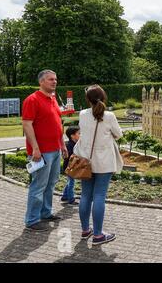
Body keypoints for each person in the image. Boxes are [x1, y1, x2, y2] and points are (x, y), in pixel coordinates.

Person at [74, 85, 123, 245]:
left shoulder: (82, 114)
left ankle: (85, 230)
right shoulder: (109, 116)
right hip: (104, 162)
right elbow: (119, 134)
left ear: (87, 99)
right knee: (99, 196)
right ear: (104, 97)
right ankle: (98, 235)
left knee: (85, 196)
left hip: (85, 161)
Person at [22, 70, 68, 231]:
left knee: (51, 183)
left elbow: (58, 124)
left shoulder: (53, 99)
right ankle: (32, 220)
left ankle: (46, 212)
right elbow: (27, 124)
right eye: (50, 79)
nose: (54, 82)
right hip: (41, 152)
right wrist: (35, 148)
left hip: (55, 150)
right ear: (41, 82)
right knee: (39, 185)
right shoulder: (32, 100)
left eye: (55, 79)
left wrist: (62, 144)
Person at [60, 126, 80, 205]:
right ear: (72, 136)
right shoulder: (70, 145)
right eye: (78, 133)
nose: (80, 135)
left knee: (69, 181)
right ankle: (71, 199)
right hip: (69, 167)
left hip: (70, 167)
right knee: (71, 182)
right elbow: (70, 156)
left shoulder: (74, 144)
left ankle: (64, 196)